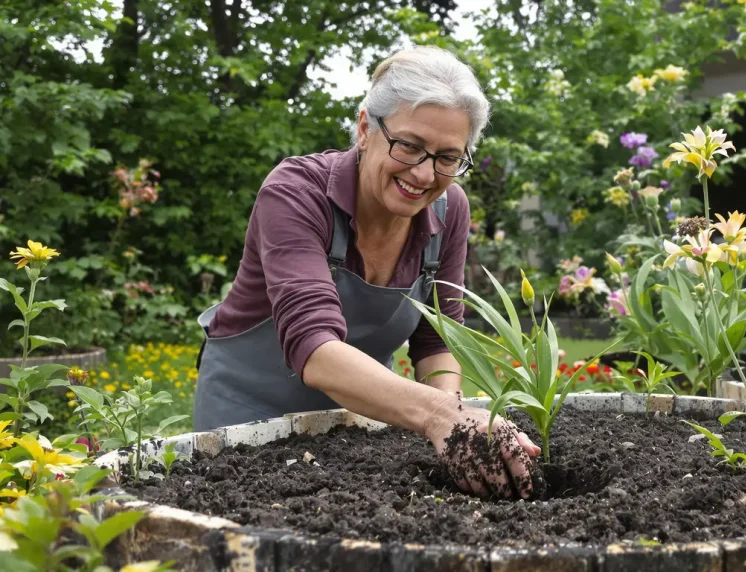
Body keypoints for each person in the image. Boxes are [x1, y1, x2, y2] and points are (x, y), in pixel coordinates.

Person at [192, 46, 539, 499]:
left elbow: (437, 340)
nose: (425, 174)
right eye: (409, 146)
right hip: (246, 420)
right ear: (364, 129)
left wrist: (456, 426)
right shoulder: (297, 193)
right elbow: (314, 346)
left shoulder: (450, 209)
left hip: (359, 420)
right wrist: (437, 415)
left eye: (447, 158)